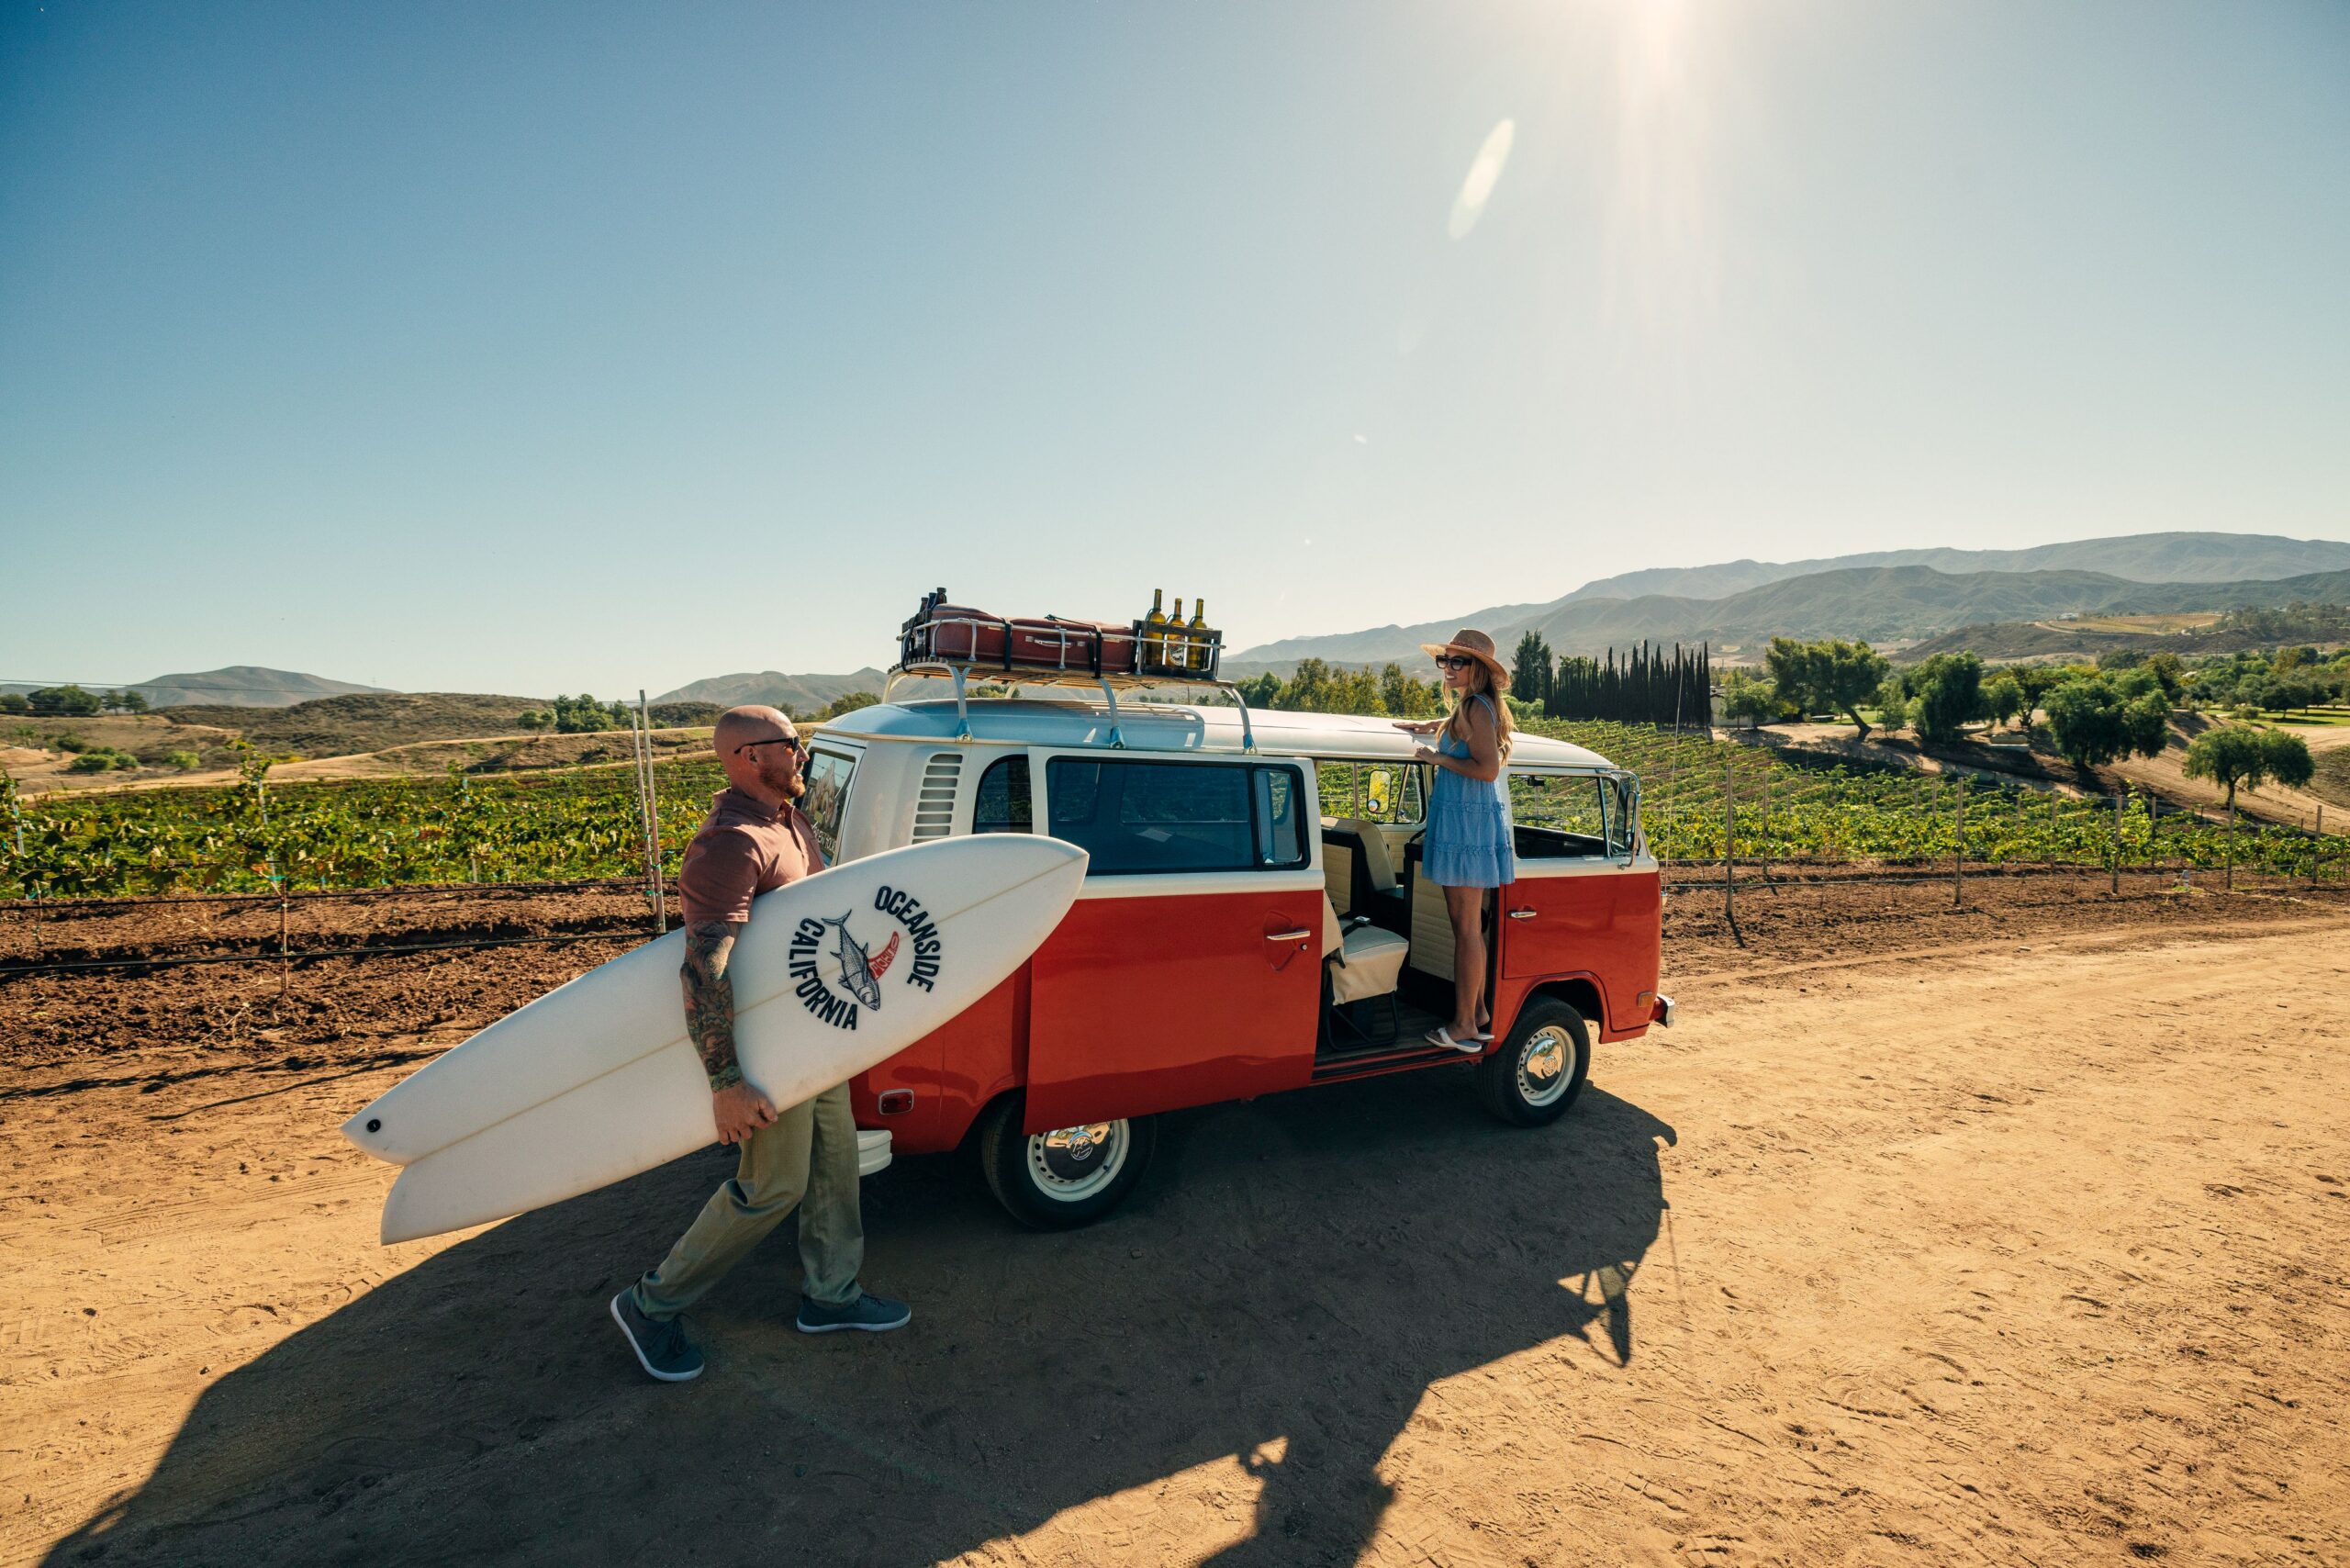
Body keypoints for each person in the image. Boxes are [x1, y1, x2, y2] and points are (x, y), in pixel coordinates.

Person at [610, 705, 909, 1383]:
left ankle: (831, 1295)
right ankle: (651, 1305)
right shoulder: (731, 843)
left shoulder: (787, 820)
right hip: (771, 1048)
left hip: (814, 1038)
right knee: (772, 1185)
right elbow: (704, 968)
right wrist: (726, 1082)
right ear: (749, 756)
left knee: (834, 1166)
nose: (802, 755)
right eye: (792, 744)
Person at [1393, 629, 1516, 1052]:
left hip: (1467, 827)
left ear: (1476, 669)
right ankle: (1477, 1013)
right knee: (1467, 926)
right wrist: (1430, 727)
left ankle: (1464, 1024)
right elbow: (1462, 732)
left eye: (1457, 661)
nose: (1447, 668)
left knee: (1465, 929)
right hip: (1465, 824)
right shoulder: (1471, 707)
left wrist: (1436, 757)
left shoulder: (1477, 708)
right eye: (1444, 660)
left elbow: (1487, 770)